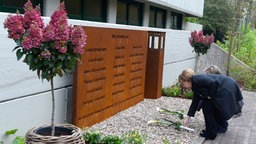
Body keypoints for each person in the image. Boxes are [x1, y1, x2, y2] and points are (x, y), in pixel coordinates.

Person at [179, 68, 244, 140]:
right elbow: (195, 102)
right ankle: (221, 127)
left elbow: (212, 83)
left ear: (187, 80)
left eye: (182, 83)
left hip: (226, 88)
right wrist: (187, 118)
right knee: (214, 106)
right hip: (228, 84)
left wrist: (211, 96)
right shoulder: (195, 85)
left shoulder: (196, 80)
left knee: (207, 106)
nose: (183, 86)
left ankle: (211, 133)